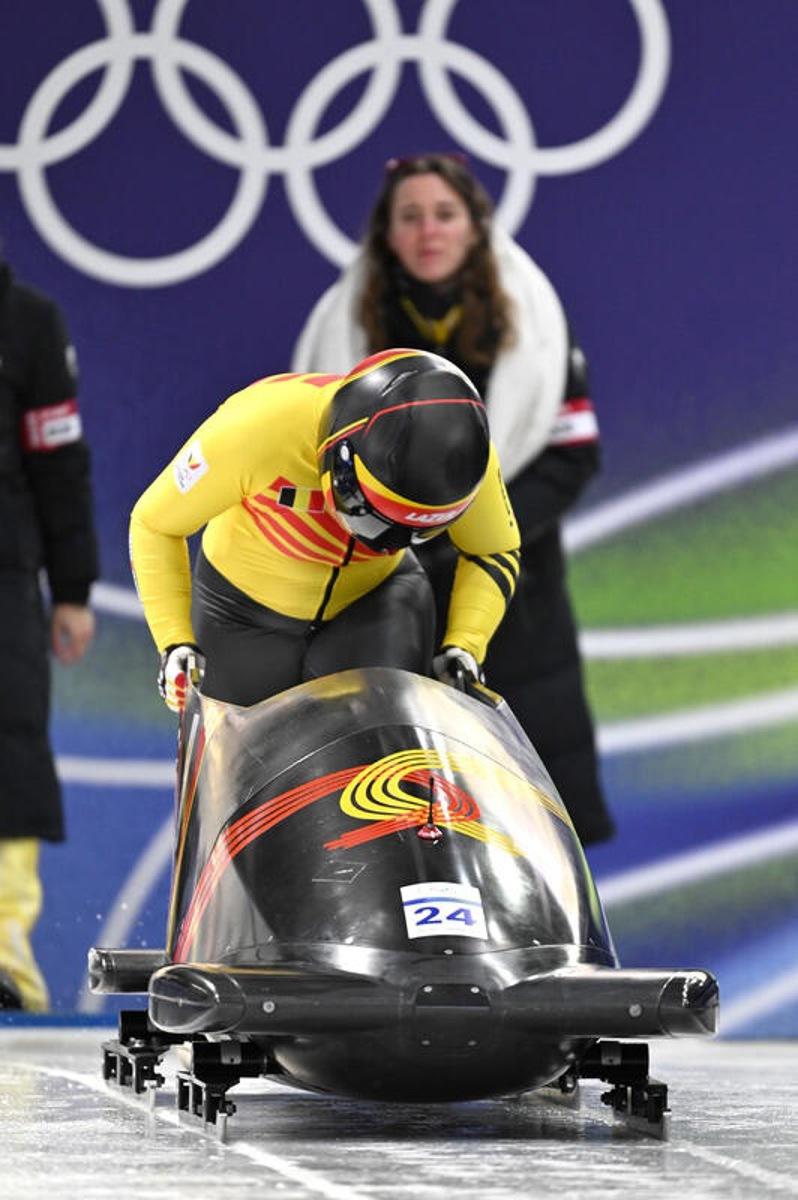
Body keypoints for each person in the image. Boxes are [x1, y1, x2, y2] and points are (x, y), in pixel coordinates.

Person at [292, 153, 614, 846]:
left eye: (444, 214)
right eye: (410, 217)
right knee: (404, 816)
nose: (428, 231)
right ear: (386, 234)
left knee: (539, 816)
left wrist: (468, 531)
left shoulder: (537, 326)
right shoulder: (342, 329)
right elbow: (318, 463)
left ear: (475, 227)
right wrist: (406, 540)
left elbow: (571, 454)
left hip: (513, 595)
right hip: (385, 590)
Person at [129, 348, 520, 714]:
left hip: (374, 601)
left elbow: (493, 549)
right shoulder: (253, 430)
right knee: (246, 766)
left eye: (405, 533)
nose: (378, 540)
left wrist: (465, 645)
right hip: (241, 612)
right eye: (366, 513)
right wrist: (175, 640)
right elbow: (154, 524)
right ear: (338, 456)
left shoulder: (468, 460)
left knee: (381, 764)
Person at [0, 253, 98, 1011]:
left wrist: (71, 588)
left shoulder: (28, 320)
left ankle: (3, 950)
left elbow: (58, 462)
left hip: (4, 574)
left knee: (9, 746)